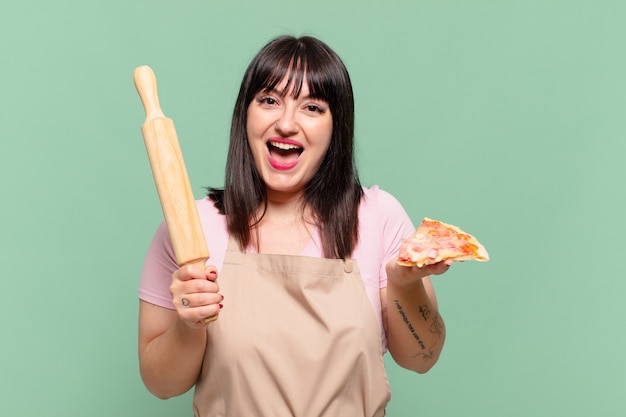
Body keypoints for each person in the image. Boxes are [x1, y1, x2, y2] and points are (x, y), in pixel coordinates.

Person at [138, 35, 452, 417]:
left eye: (313, 107)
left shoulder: (378, 217)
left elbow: (423, 357)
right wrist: (189, 325)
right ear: (245, 115)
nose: (286, 123)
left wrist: (405, 283)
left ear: (337, 127)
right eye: (269, 100)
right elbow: (159, 384)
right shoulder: (191, 227)